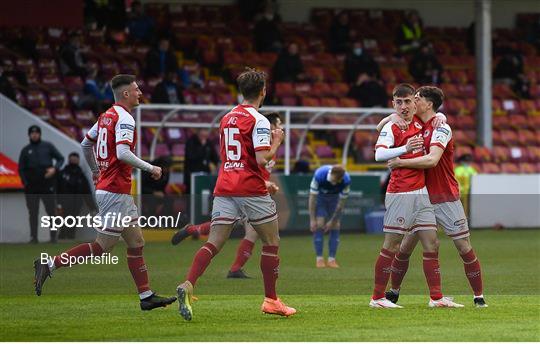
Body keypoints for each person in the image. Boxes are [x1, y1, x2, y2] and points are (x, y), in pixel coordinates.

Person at [33, 74, 177, 311]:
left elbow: (85, 144)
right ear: (126, 94)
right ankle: (49, 264)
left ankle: (146, 296)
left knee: (136, 242)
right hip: (114, 192)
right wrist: (151, 167)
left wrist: (94, 170)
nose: (140, 92)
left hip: (115, 190)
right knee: (102, 246)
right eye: (137, 89)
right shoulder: (125, 118)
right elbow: (122, 153)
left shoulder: (106, 117)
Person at [175, 69, 296, 321]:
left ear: (241, 91)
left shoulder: (227, 117)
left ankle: (188, 284)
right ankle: (271, 301)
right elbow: (263, 159)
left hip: (225, 185)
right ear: (263, 90)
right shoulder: (259, 120)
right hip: (250, 187)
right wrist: (277, 141)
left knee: (214, 243)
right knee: (271, 242)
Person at [382, 86, 486, 307]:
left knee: (464, 247)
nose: (411, 103)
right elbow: (383, 125)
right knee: (405, 247)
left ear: (428, 104)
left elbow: (431, 161)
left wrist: (400, 162)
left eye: (416, 98)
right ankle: (394, 292)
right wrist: (391, 115)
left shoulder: (442, 127)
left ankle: (478, 297)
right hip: (419, 196)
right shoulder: (413, 123)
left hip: (445, 196)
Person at [370, 83, 462, 308]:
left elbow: (435, 118)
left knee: (432, 244)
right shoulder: (393, 125)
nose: (404, 106)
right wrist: (405, 148)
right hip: (401, 192)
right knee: (391, 245)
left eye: (408, 101)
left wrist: (441, 115)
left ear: (416, 103)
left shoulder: (421, 124)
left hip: (422, 194)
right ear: (393, 103)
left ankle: (436, 298)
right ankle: (377, 298)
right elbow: (379, 154)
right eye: (398, 102)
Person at [171, 113, 283, 279]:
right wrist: (264, 183)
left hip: (252, 189)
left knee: (232, 226)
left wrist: (266, 184)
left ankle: (194, 232)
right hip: (246, 188)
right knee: (240, 230)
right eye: (279, 124)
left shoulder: (268, 145)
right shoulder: (261, 143)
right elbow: (247, 165)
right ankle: (238, 271)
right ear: (271, 126)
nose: (281, 128)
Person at [19, 125, 64, 244]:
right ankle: (33, 237)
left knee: (51, 211)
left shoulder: (47, 146)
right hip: (32, 185)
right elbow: (21, 168)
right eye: (32, 133)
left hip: (46, 182)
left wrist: (54, 169)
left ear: (40, 134)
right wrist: (25, 182)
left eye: (36, 133)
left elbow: (60, 159)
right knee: (33, 212)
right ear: (29, 135)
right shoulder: (25, 150)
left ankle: (53, 237)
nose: (34, 135)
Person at [308, 165, 351, 268]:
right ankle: (319, 259)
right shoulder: (319, 175)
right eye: (334, 180)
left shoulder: (346, 180)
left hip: (334, 200)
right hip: (321, 199)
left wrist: (333, 221)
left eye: (337, 181)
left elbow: (342, 203)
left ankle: (332, 259)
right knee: (319, 224)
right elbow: (312, 199)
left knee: (336, 225)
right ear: (331, 174)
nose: (335, 183)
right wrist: (312, 219)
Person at [56, 152, 97, 239]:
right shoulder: (63, 174)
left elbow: (87, 192)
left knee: (74, 220)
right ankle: (62, 237)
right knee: (63, 220)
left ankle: (71, 237)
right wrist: (57, 202)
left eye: (76, 158)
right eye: (72, 158)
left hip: (77, 203)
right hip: (64, 202)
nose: (74, 160)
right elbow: (57, 188)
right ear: (69, 159)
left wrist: (92, 207)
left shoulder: (81, 176)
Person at [183, 129, 219, 194]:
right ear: (198, 133)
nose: (204, 137)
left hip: (205, 175)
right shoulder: (191, 142)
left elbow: (215, 158)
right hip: (191, 175)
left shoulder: (208, 142)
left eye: (205, 136)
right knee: (192, 194)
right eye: (202, 135)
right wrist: (202, 147)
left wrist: (218, 165)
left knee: (205, 193)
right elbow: (191, 157)